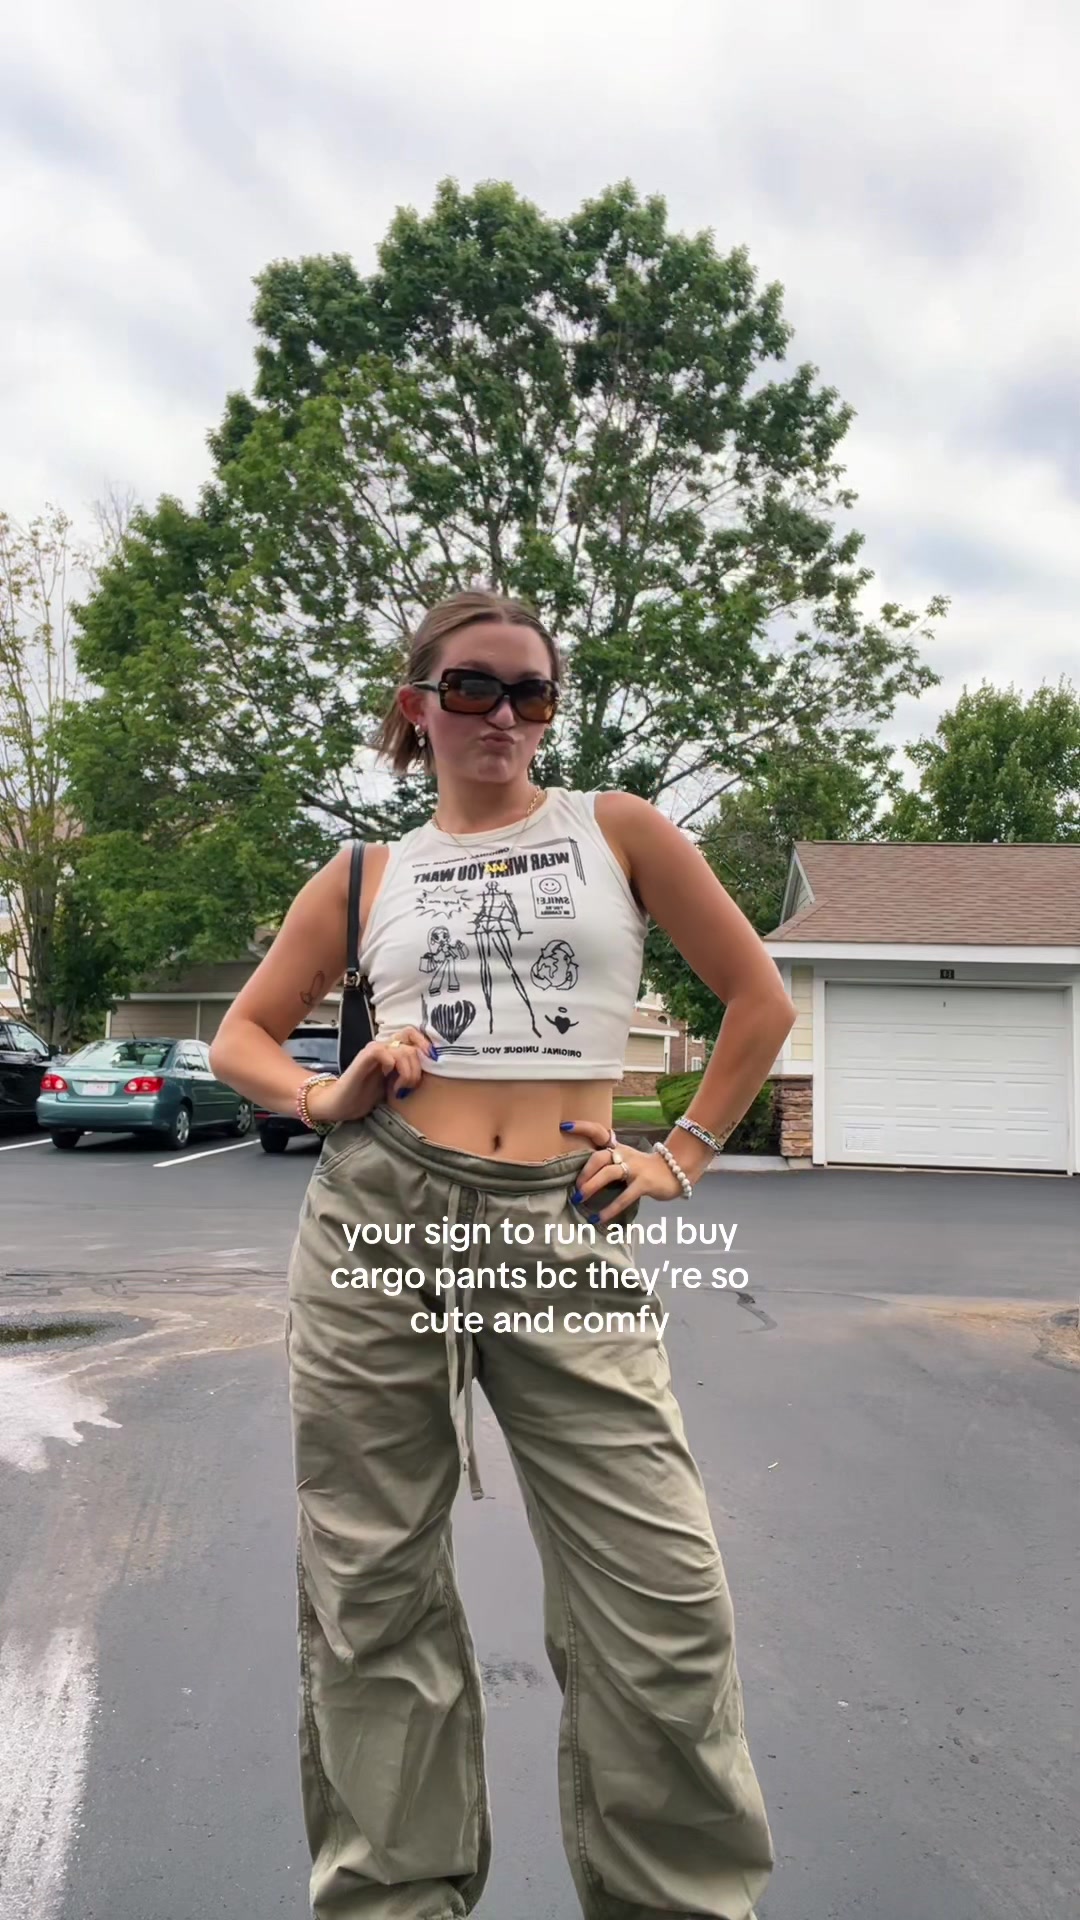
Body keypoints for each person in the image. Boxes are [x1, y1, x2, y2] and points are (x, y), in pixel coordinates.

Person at [209, 588, 796, 1920]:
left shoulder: (617, 830)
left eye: (532, 692)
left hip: (561, 1223)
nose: (505, 713)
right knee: (370, 1588)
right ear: (417, 708)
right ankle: (394, 1899)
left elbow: (758, 1001)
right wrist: (321, 1093)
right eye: (473, 686)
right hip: (381, 1217)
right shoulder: (365, 875)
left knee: (663, 1597)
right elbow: (241, 1035)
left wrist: (681, 1154)